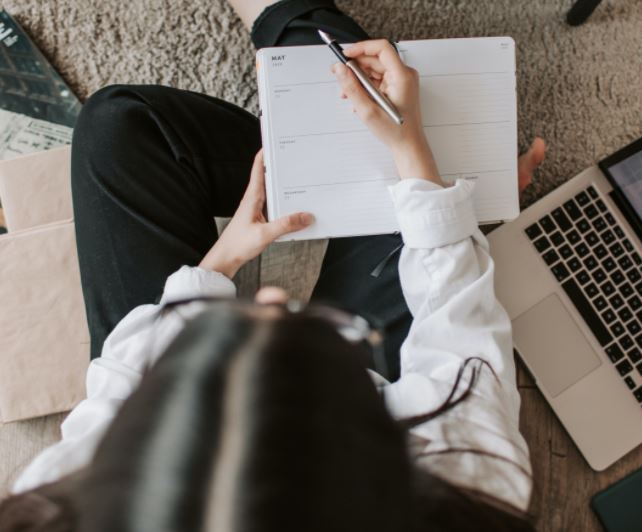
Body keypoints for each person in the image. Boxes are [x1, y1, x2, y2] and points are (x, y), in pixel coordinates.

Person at [0, 0, 547, 530]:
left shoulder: (63, 503)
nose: (266, 296)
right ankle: (290, 18)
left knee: (120, 123)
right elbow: (460, 329)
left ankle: (306, 92)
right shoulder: (471, 487)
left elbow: (121, 385)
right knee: (417, 167)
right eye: (319, 336)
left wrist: (225, 259)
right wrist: (421, 165)